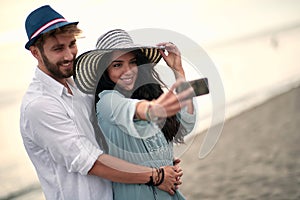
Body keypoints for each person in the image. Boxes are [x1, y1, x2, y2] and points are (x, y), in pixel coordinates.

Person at [20, 5, 191, 200]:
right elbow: (91, 162)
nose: (69, 55)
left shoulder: (79, 89)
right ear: (35, 52)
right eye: (58, 49)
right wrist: (155, 175)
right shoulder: (39, 105)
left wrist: (154, 159)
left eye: (72, 44)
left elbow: (110, 134)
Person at [73, 29, 196, 200]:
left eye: (132, 62)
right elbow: (133, 109)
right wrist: (154, 109)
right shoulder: (107, 102)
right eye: (117, 65)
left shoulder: (149, 94)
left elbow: (186, 123)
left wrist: (178, 70)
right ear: (104, 71)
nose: (128, 71)